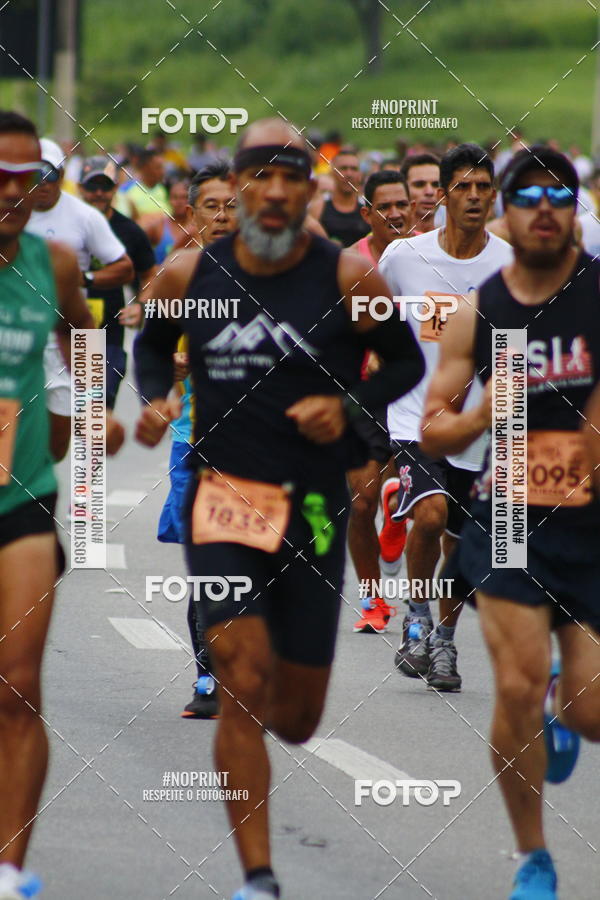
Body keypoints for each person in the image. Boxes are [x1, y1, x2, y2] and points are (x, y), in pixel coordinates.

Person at [134, 117, 424, 900]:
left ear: (308, 191)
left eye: (290, 178)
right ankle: (257, 877)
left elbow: (405, 363)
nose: (273, 191)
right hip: (225, 501)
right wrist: (158, 397)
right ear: (238, 185)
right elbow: (151, 347)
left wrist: (347, 407)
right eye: (259, 176)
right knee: (240, 673)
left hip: (316, 510)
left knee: (294, 715)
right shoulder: (190, 276)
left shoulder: (347, 278)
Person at [421, 146, 600, 900]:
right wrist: (481, 414)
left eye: (559, 195)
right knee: (517, 687)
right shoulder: (482, 311)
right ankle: (534, 857)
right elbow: (433, 428)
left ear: (575, 212)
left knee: (590, 712)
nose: (544, 208)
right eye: (528, 196)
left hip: (592, 522)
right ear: (507, 210)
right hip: (511, 517)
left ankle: (568, 703)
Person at [0, 110, 123, 900]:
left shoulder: (55, 262)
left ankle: (9, 870)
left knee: (16, 685)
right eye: (1, 177)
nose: (15, 191)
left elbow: (83, 330)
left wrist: (94, 405)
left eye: (28, 177)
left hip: (22, 495)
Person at [380, 143, 512, 690]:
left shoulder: (509, 263)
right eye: (463, 187)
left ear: (494, 195)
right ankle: (416, 617)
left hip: (481, 429)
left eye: (483, 187)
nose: (474, 196)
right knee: (431, 516)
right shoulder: (405, 257)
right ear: (442, 195)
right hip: (415, 417)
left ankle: (444, 641)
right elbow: (370, 317)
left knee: (459, 541)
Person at [156, 160, 237, 718]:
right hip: (196, 440)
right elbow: (150, 354)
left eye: (233, 205)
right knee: (208, 567)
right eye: (212, 206)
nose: (224, 216)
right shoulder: (179, 276)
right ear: (192, 214)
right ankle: (208, 677)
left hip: (263, 443)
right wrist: (171, 368)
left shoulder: (278, 278)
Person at [26, 138, 133, 460]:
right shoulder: (11, 214)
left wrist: (83, 279)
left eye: (50, 175)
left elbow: (125, 268)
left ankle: (52, 485)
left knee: (61, 445)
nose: (42, 183)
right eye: (34, 175)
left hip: (70, 332)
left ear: (62, 176)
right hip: (18, 335)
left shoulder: (85, 217)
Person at [347, 170, 412, 632]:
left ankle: (397, 521)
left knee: (412, 501)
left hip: (415, 394)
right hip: (363, 395)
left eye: (401, 204)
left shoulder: (427, 257)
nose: (395, 214)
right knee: (361, 502)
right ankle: (373, 599)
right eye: (384, 207)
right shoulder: (350, 264)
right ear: (366, 213)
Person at [78, 155, 157, 410]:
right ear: (80, 187)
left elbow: (150, 275)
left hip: (108, 334)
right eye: (92, 186)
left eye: (105, 186)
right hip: (63, 332)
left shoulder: (129, 231)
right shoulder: (65, 225)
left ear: (115, 189)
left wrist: (141, 306)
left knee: (96, 412)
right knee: (62, 418)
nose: (99, 193)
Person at [313, 146, 369, 247]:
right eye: (343, 168)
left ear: (360, 175)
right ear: (332, 173)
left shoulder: (368, 209)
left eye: (354, 169)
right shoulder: (318, 208)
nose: (349, 174)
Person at [114, 148, 171, 220]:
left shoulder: (163, 189)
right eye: (158, 168)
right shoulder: (125, 191)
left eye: (163, 167)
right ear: (145, 168)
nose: (163, 172)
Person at [400, 152, 441, 235]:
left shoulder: (452, 240)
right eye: (419, 185)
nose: (429, 192)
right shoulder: (384, 240)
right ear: (402, 189)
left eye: (435, 185)